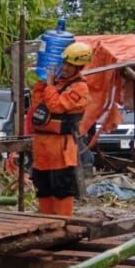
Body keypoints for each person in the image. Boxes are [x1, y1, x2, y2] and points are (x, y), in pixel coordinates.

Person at [30, 41, 94, 217]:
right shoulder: (56, 83)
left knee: (62, 185)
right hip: (42, 143)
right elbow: (38, 105)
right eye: (64, 63)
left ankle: (63, 220)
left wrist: (49, 86)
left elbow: (56, 106)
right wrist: (43, 83)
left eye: (70, 65)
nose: (65, 68)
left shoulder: (80, 88)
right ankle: (47, 219)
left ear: (79, 67)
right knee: (42, 183)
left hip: (61, 146)